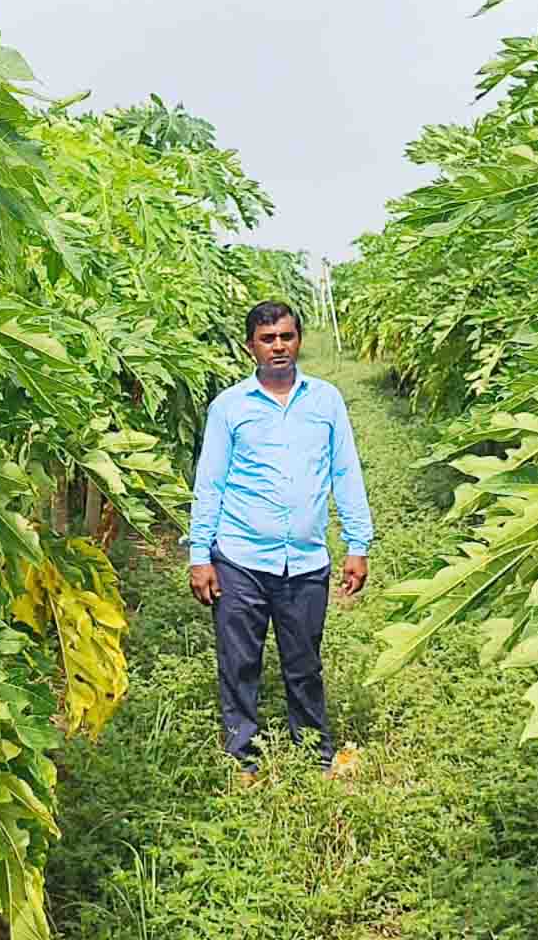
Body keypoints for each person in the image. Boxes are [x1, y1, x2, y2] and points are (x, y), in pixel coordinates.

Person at [187, 300, 373, 782]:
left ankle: (315, 753)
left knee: (304, 664)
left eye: (286, 337)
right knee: (239, 663)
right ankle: (242, 758)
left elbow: (345, 471)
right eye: (267, 339)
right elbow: (210, 482)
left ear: (299, 340)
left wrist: (358, 544)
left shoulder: (326, 400)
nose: (278, 347)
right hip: (240, 559)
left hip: (306, 561)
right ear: (251, 346)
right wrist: (199, 555)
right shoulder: (229, 407)